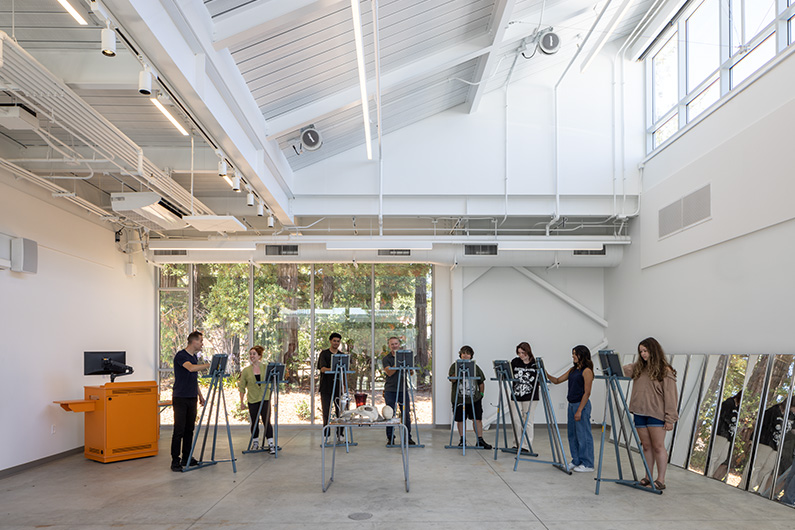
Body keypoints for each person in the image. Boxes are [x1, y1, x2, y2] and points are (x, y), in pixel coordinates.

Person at [622, 337, 678, 489]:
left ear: (653, 351)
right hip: (640, 412)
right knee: (646, 446)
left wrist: (670, 418)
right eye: (641, 352)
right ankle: (648, 476)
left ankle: (660, 480)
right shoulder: (639, 368)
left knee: (658, 446)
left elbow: (671, 396)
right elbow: (623, 370)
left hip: (656, 414)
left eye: (646, 351)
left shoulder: (665, 371)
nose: (643, 354)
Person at [546, 345, 594, 472]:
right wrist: (545, 373)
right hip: (571, 404)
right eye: (572, 353)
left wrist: (579, 410)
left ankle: (588, 464)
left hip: (581, 405)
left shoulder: (587, 371)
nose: (572, 356)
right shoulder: (573, 370)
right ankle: (576, 460)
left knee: (583, 435)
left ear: (581, 355)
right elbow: (556, 380)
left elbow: (587, 393)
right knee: (572, 435)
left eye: (575, 354)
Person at [171, 331, 210, 472]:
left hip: (192, 397)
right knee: (179, 430)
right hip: (180, 398)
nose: (202, 343)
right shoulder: (181, 356)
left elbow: (193, 378)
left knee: (189, 429)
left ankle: (187, 457)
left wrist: (200, 395)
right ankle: (175, 460)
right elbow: (191, 368)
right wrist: (208, 365)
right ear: (193, 342)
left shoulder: (193, 357)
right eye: (200, 341)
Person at [448, 345, 491, 449]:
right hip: (459, 398)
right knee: (460, 419)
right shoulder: (455, 365)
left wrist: (481, 394)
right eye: (463, 353)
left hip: (474, 398)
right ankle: (462, 440)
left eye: (468, 353)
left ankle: (480, 440)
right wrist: (459, 370)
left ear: (471, 355)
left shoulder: (475, 367)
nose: (465, 355)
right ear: (460, 355)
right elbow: (452, 379)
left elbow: (481, 382)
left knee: (477, 419)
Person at [239, 346, 275, 454]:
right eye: (250, 354)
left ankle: (271, 443)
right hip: (253, 399)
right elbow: (242, 387)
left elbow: (271, 380)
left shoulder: (265, 368)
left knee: (266, 420)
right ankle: (255, 442)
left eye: (254, 354)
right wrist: (241, 401)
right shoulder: (246, 371)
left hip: (265, 398)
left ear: (259, 356)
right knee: (254, 421)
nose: (252, 356)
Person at [382, 337, 416, 446]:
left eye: (396, 343)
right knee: (389, 415)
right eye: (392, 344)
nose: (394, 346)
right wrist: (398, 362)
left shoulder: (405, 356)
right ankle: (390, 438)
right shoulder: (386, 358)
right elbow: (389, 372)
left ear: (399, 344)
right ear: (389, 346)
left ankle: (407, 437)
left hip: (403, 390)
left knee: (406, 414)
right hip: (390, 390)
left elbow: (411, 373)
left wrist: (409, 368)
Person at [508, 341, 540, 451]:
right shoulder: (515, 362)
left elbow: (541, 378)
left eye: (522, 352)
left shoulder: (535, 363)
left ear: (528, 352)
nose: (520, 355)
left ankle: (526, 445)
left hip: (531, 396)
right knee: (516, 420)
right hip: (516, 395)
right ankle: (516, 443)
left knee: (528, 420)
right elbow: (508, 375)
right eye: (519, 353)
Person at [317, 332, 344, 439]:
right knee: (326, 412)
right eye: (334, 341)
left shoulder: (342, 355)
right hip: (326, 387)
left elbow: (344, 371)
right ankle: (326, 435)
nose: (336, 343)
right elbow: (323, 369)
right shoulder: (324, 354)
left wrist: (344, 387)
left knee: (340, 412)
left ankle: (340, 434)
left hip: (338, 387)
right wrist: (335, 369)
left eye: (338, 341)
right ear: (330, 341)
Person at [709, 391, 742, 479]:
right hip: (721, 432)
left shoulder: (737, 407)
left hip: (728, 435)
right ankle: (708, 472)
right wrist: (730, 422)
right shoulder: (729, 403)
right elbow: (723, 415)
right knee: (715, 454)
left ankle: (711, 472)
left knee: (723, 457)